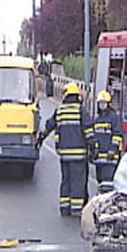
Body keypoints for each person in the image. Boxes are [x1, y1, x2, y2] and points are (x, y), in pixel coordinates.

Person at [38, 82, 93, 216]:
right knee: (78, 181)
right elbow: (88, 130)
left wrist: (40, 138)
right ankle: (76, 209)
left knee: (66, 180)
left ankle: (64, 207)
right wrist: (93, 146)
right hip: (79, 154)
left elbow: (49, 126)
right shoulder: (80, 110)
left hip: (64, 155)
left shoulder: (60, 110)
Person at [91, 90, 122, 193]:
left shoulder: (114, 117)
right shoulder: (97, 119)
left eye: (104, 103)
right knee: (100, 182)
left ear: (108, 104)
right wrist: (94, 149)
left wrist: (113, 150)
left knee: (108, 183)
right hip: (99, 158)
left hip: (110, 157)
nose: (102, 105)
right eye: (100, 103)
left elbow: (117, 135)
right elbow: (94, 135)